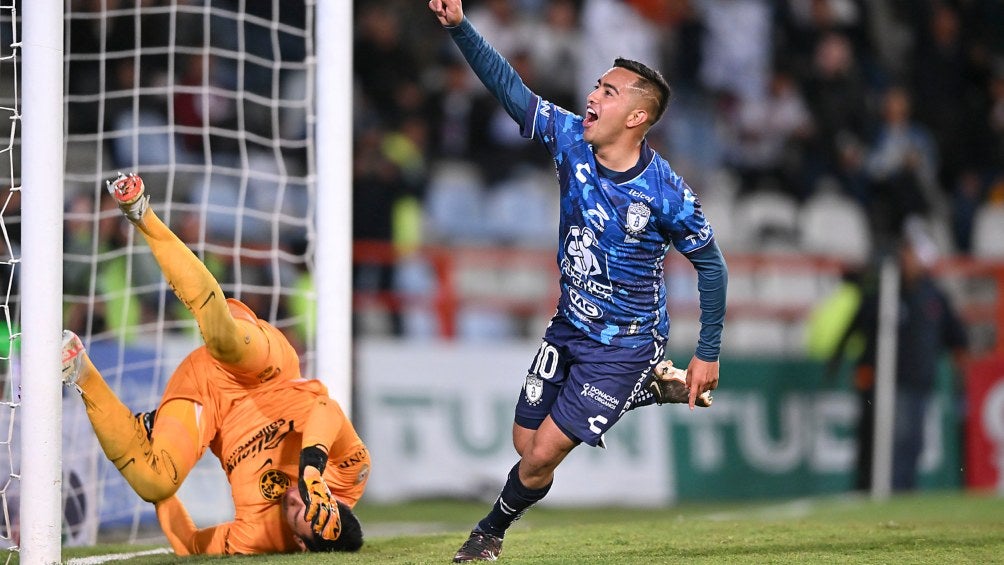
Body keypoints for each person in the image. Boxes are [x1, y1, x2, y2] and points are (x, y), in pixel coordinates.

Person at [427, 1, 728, 562]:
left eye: (609, 92)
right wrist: (461, 28)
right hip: (570, 324)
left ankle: (487, 535)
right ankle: (648, 389)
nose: (592, 96)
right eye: (596, 87)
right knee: (524, 445)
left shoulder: (665, 192)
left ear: (636, 118)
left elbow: (711, 266)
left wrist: (707, 353)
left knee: (539, 457)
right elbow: (511, 91)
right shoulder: (571, 139)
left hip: (628, 342)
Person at [60, 173, 368, 555]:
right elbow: (327, 408)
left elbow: (189, 545)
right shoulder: (351, 475)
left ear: (301, 546)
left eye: (297, 514)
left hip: (211, 405)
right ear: (335, 501)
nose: (296, 499)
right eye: (312, 503)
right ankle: (142, 213)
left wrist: (156, 463)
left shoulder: (259, 538)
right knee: (224, 340)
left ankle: (77, 368)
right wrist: (312, 470)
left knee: (155, 481)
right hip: (265, 372)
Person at [828, 218, 968, 492]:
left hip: (921, 381)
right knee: (887, 441)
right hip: (889, 382)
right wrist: (839, 360)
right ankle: (884, 490)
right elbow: (858, 324)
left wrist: (959, 370)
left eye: (913, 254)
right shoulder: (886, 291)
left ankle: (903, 491)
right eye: (907, 253)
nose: (909, 260)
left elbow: (957, 337)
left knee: (912, 442)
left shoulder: (934, 297)